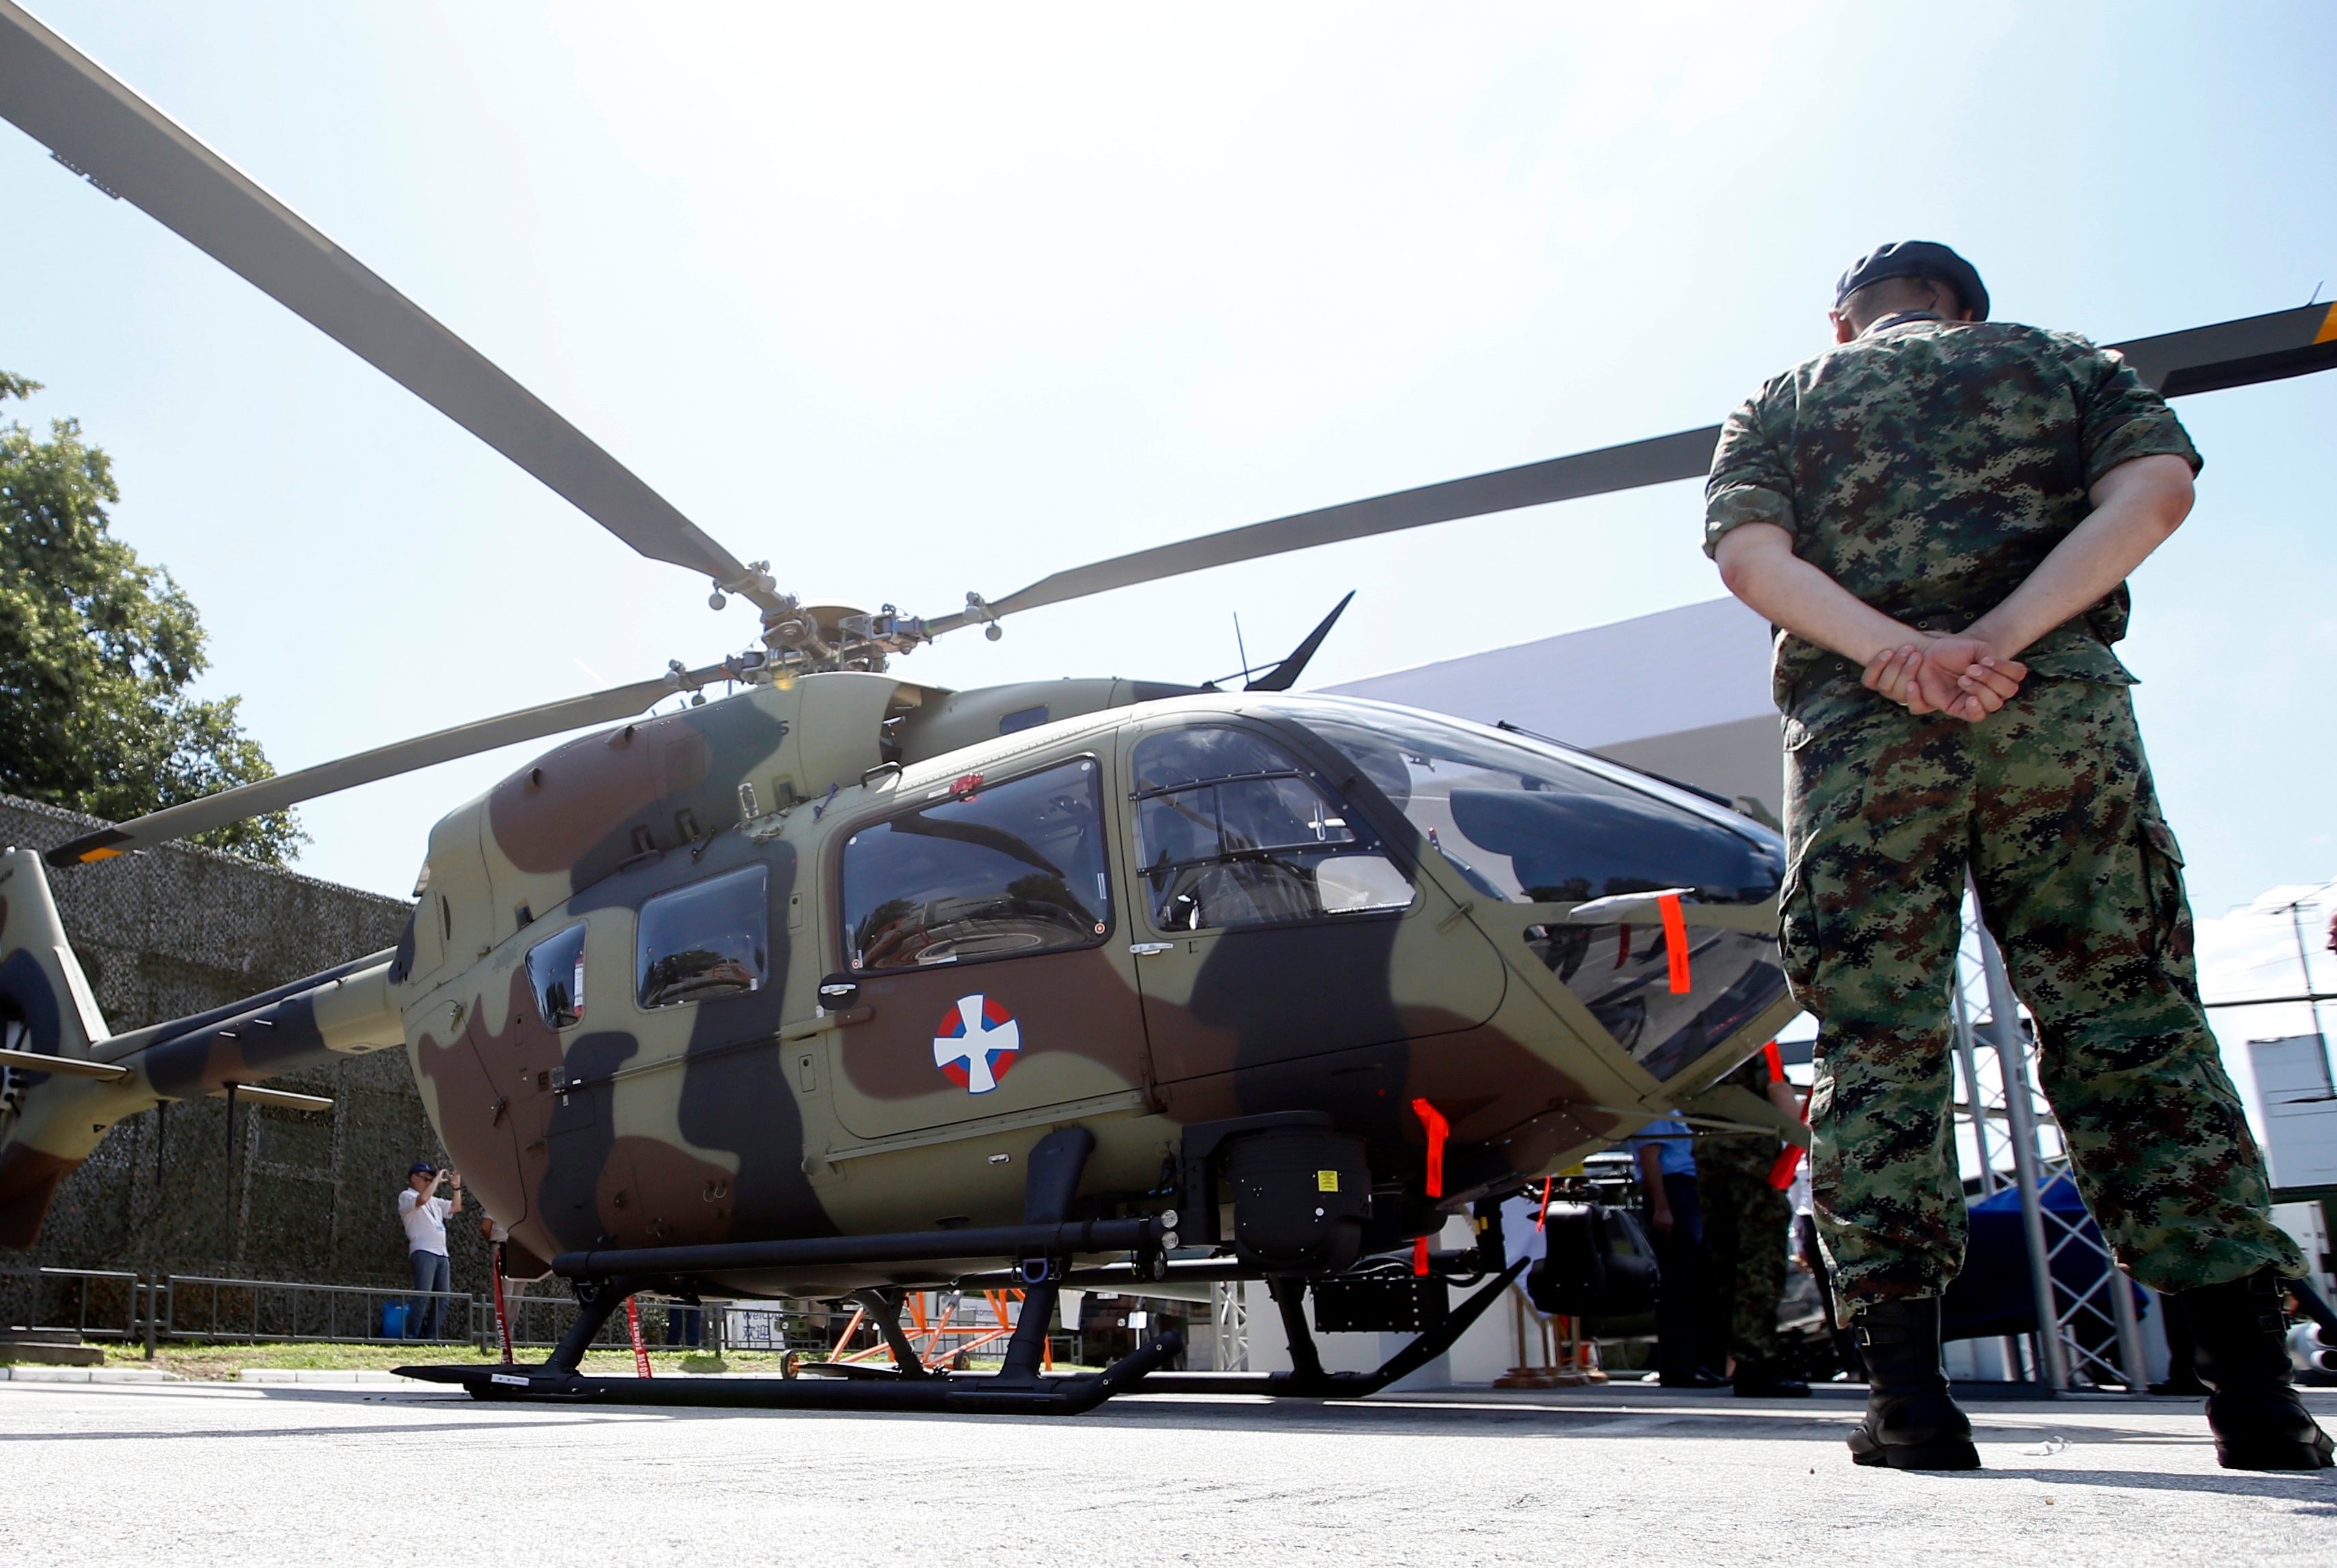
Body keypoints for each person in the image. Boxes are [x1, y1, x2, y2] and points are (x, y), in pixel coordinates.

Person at [1706, 239, 2330, 1472]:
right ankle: (2255, 1393)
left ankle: (1911, 1398)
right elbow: (2157, 491)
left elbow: (1751, 560)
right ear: (1964, 307)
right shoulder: (2063, 363)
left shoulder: (1784, 399)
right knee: (2132, 1020)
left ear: (1847, 322)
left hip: (1864, 737)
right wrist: (1997, 636)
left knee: (1881, 1041)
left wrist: (1899, 655)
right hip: (2057, 716)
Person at [1694, 1049, 1810, 1397]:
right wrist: (1806, 1132)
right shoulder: (1757, 1037)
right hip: (1755, 1163)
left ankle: (1736, 1357)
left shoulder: (1698, 1039)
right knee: (1761, 1262)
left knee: (1726, 1264)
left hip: (1707, 1154)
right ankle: (1756, 1362)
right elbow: (1778, 1091)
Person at [1627, 1113, 1719, 1387]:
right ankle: (1678, 1365)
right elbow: (1649, 1157)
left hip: (1688, 1188)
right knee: (1677, 1284)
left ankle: (1695, 1361)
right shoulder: (1651, 1110)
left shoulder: (1676, 1110)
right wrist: (1663, 1207)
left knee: (1694, 1283)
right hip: (1672, 1189)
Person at [397, 1161, 462, 1340]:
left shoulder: (434, 1201)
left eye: (430, 1179)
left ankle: (432, 1337)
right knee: (423, 1296)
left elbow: (455, 1208)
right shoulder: (406, 1196)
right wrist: (437, 1180)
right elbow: (422, 1200)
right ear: (413, 1178)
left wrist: (456, 1188)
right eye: (425, 1179)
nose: (428, 1182)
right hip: (424, 1251)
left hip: (442, 1253)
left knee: (443, 1298)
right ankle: (411, 1336)